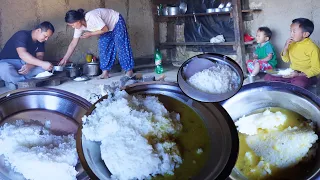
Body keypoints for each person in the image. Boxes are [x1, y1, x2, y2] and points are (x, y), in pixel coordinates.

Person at [59, 8, 135, 79]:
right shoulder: (79, 27)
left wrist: (91, 34)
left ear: (78, 20)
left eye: (72, 25)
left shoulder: (91, 16)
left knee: (121, 46)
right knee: (104, 47)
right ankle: (105, 73)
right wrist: (65, 58)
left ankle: (129, 70)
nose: (73, 27)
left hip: (116, 22)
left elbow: (105, 29)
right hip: (104, 28)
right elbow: (73, 43)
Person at [264, 18, 320, 88]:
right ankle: (289, 85)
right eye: (291, 31)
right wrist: (285, 48)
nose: (291, 34)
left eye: (294, 31)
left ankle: (288, 85)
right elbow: (286, 60)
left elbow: (317, 69)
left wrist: (299, 75)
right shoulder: (292, 43)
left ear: (305, 34)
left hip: (306, 75)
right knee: (268, 77)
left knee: (299, 83)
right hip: (292, 72)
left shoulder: (313, 48)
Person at [0, 21, 54, 89]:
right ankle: (22, 82)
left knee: (44, 69)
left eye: (48, 37)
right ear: (38, 30)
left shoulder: (40, 41)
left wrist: (30, 65)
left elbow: (40, 57)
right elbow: (23, 54)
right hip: (7, 62)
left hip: (24, 64)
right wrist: (43, 64)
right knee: (4, 68)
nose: (46, 39)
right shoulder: (21, 35)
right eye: (45, 36)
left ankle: (13, 81)